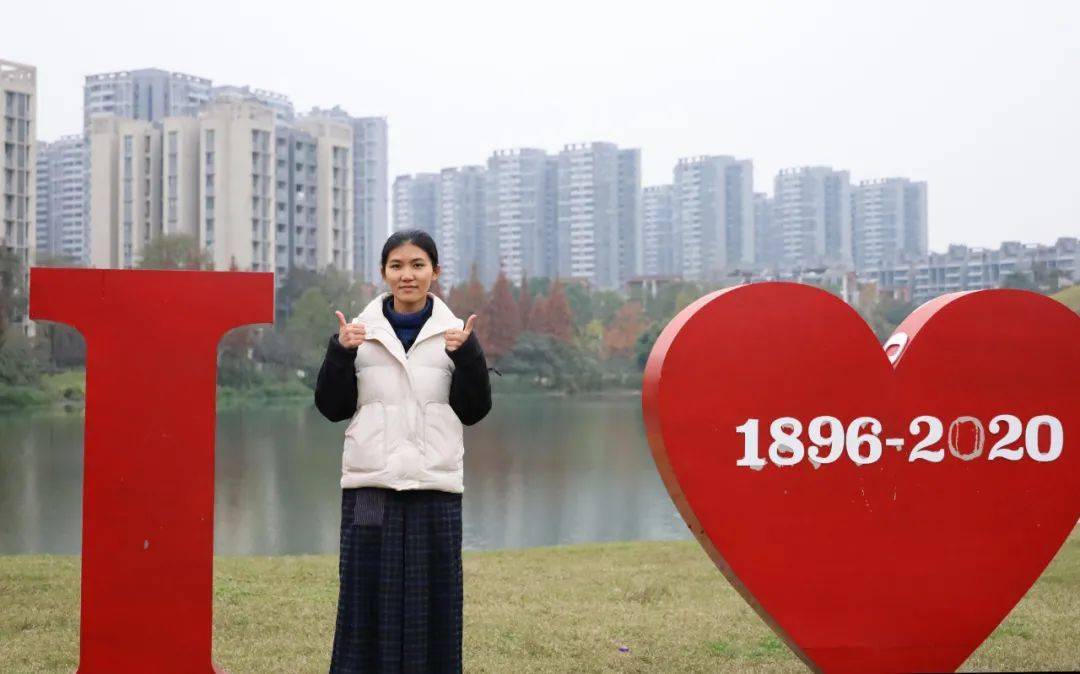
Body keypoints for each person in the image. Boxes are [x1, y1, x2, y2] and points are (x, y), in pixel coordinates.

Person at [314, 229, 492, 673]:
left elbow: (474, 411)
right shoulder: (357, 335)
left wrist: (469, 357)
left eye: (417, 265)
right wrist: (338, 353)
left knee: (433, 604)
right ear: (383, 273)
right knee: (365, 599)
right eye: (397, 265)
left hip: (435, 486)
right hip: (370, 485)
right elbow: (331, 408)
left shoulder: (456, 337)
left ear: (435, 272)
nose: (407, 275)